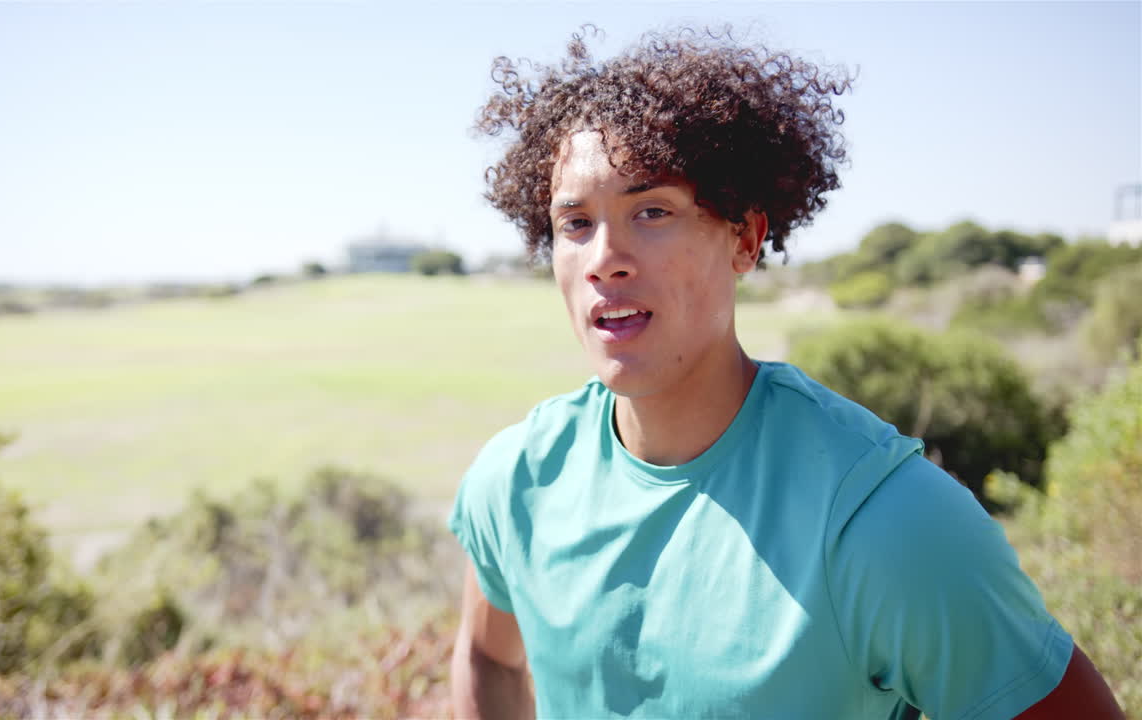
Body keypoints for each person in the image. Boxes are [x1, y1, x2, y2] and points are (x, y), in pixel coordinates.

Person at [446, 26, 1124, 719]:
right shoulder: (517, 480)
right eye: (577, 223)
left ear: (744, 239)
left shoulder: (885, 521)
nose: (605, 258)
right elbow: (489, 656)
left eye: (652, 212)